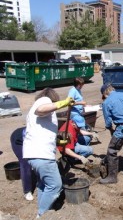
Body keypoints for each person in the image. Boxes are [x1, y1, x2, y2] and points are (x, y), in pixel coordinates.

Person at [22, 87, 74, 217]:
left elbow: (42, 132)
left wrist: (58, 142)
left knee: (43, 185)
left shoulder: (36, 110)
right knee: (55, 185)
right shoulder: (43, 100)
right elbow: (40, 110)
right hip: (42, 155)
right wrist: (64, 102)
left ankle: (43, 208)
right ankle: (42, 215)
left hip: (34, 154)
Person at [10, 127, 36, 201]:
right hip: (19, 141)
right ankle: (27, 191)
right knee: (25, 163)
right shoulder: (34, 132)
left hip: (30, 141)